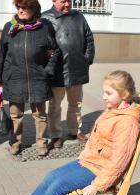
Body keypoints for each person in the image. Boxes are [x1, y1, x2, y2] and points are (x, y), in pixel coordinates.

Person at [0, 70, 140, 195]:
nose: (103, 97)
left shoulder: (128, 122)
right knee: (51, 177)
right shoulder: (113, 111)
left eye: (108, 93)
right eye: (104, 92)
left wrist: (97, 186)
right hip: (88, 162)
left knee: (58, 185)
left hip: (100, 171)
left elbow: (119, 161)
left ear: (124, 95)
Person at [0, 0, 60, 156]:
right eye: (18, 7)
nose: (21, 11)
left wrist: (48, 70)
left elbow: (55, 51)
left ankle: (41, 143)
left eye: (25, 8)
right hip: (14, 78)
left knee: (40, 115)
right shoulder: (9, 27)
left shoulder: (44, 27)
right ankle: (15, 143)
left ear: (34, 10)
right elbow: (1, 55)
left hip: (38, 78)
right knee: (16, 114)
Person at [42, 0, 95, 149]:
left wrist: (87, 60)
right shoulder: (45, 18)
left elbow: (89, 39)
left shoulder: (79, 17)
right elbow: (39, 43)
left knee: (76, 104)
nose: (67, 4)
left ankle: (74, 130)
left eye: (69, 1)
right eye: (62, 1)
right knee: (54, 106)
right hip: (56, 70)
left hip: (77, 69)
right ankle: (55, 135)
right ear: (54, 1)